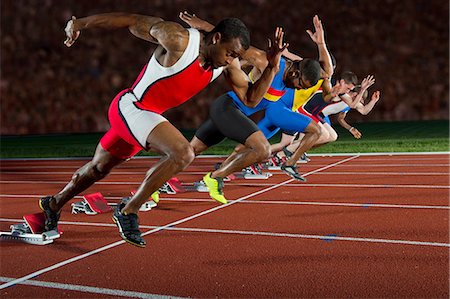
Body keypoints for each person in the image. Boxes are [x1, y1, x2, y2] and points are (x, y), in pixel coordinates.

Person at [39, 12, 287, 247]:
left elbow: (251, 100)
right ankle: (128, 210)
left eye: (235, 56)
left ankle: (53, 203)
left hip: (146, 119)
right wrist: (80, 24)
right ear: (217, 38)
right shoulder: (178, 39)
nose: (232, 60)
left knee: (97, 169)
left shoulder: (225, 66)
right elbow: (131, 20)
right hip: (131, 107)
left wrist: (272, 68)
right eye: (230, 53)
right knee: (183, 153)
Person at [179, 12, 333, 200]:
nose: (300, 89)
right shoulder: (267, 61)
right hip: (228, 107)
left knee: (187, 152)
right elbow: (235, 45)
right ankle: (215, 177)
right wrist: (203, 24)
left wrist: (320, 43)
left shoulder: (297, 75)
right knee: (262, 150)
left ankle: (154, 187)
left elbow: (327, 70)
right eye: (301, 85)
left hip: (234, 113)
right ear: (295, 74)